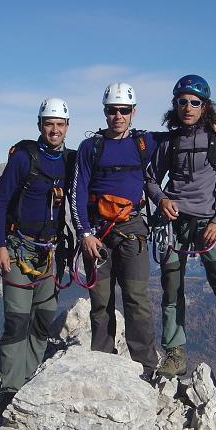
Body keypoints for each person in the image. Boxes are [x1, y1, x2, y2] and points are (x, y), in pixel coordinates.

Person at [146, 74, 216, 378]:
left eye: (195, 102)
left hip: (209, 223)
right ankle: (175, 351)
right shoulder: (169, 141)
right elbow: (151, 179)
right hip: (173, 222)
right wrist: (160, 200)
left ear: (205, 106)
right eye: (182, 101)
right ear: (175, 104)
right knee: (172, 287)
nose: (188, 107)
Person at [70, 83, 159, 379]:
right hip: (98, 232)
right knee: (100, 302)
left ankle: (145, 368)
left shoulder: (144, 143)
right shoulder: (91, 147)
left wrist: (214, 118)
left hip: (132, 228)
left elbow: (186, 132)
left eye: (123, 110)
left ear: (134, 112)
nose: (117, 116)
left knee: (136, 299)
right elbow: (78, 192)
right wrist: (84, 234)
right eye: (112, 110)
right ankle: (103, 365)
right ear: (105, 112)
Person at [0, 97, 75, 392]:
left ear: (67, 127)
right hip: (18, 249)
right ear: (40, 125)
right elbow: (0, 201)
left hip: (51, 252)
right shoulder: (24, 158)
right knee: (16, 320)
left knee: (42, 318)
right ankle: (11, 387)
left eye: (60, 124)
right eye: (49, 124)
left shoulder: (70, 160)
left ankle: (29, 378)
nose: (54, 130)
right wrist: (0, 245)